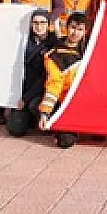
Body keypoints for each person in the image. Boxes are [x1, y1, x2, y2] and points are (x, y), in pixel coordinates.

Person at [38, 12, 88, 149]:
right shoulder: (54, 55)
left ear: (85, 32)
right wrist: (45, 113)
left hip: (86, 101)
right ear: (67, 27)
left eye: (80, 29)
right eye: (73, 28)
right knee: (65, 141)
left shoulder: (90, 49)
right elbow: (54, 85)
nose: (75, 33)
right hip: (65, 102)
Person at [7, 10, 58, 137]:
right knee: (15, 129)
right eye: (35, 23)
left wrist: (25, 98)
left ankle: (46, 118)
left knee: (34, 105)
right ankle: (29, 119)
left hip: (41, 92)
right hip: (24, 90)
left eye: (42, 23)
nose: (39, 26)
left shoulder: (54, 45)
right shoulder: (24, 41)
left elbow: (45, 77)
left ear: (48, 25)